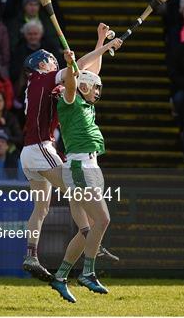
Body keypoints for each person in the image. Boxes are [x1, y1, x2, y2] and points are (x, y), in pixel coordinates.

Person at [20, 24, 121, 283]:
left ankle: (31, 254)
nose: (54, 65)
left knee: (41, 208)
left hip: (29, 153)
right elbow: (78, 68)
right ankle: (90, 236)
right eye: (51, 62)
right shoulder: (44, 78)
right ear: (41, 64)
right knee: (75, 190)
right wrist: (107, 46)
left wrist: (100, 41)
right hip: (42, 147)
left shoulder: (39, 86)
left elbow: (85, 74)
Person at [49, 39, 123, 303]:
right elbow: (78, 73)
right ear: (82, 86)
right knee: (103, 220)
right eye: (95, 88)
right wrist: (74, 61)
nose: (98, 91)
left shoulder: (86, 102)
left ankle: (60, 277)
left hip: (91, 165)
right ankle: (88, 272)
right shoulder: (70, 99)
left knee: (87, 231)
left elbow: (92, 71)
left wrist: (101, 41)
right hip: (80, 166)